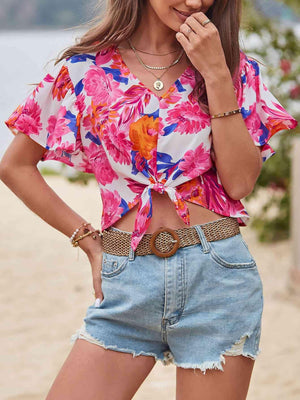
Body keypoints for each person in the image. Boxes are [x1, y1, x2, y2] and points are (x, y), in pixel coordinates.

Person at [0, 0, 298, 399]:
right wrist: (88, 243)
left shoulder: (233, 69)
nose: (196, 2)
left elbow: (241, 182)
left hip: (217, 278)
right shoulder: (83, 69)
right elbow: (16, 166)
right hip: (127, 281)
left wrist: (215, 73)